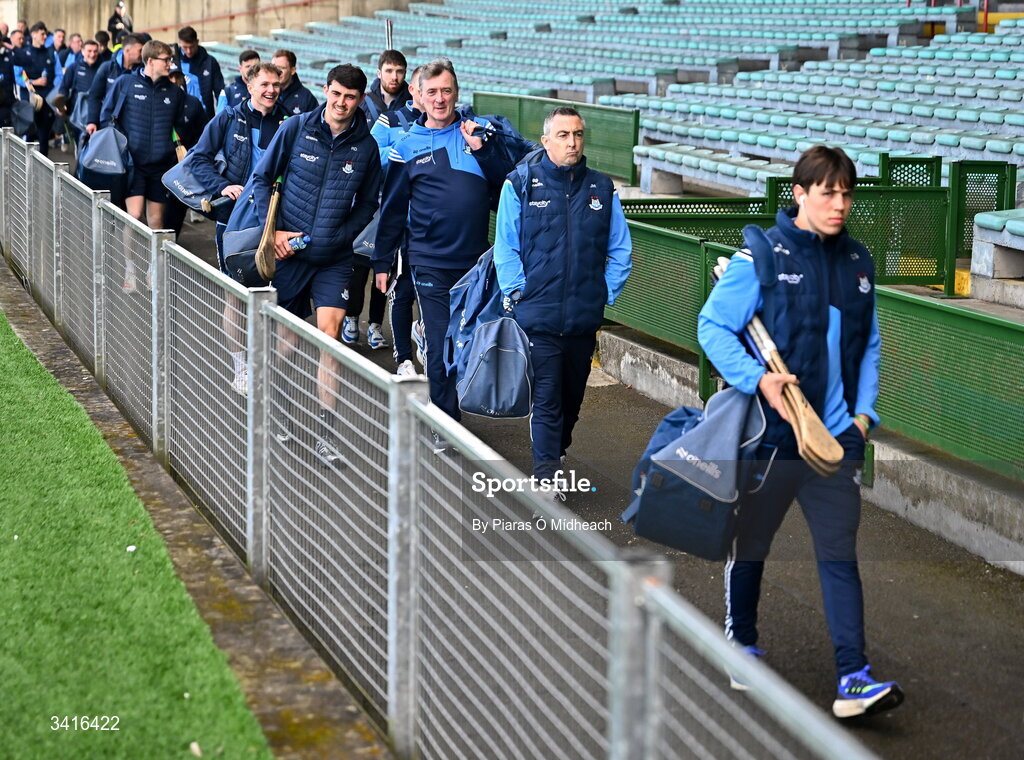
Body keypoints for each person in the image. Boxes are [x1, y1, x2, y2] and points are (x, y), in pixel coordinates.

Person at [696, 145, 902, 719]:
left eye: (846, 193)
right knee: (753, 546)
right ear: (801, 194)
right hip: (773, 438)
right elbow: (712, 326)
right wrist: (756, 379)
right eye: (828, 192)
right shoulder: (760, 256)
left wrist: (863, 417)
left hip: (834, 438)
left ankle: (853, 677)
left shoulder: (858, 261)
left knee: (839, 557)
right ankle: (742, 645)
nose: (840, 203)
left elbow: (871, 347)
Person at [493, 106, 632, 496]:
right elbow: (506, 246)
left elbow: (620, 250)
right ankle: (546, 473)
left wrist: (605, 292)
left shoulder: (602, 188)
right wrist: (518, 292)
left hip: (583, 316)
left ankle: (557, 452)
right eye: (563, 135)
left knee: (572, 396)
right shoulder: (520, 182)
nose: (572, 143)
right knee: (549, 394)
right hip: (537, 313)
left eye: (578, 135)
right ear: (546, 141)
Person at [371, 58, 514, 431]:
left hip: (475, 262)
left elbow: (506, 189)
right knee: (440, 343)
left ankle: (452, 398)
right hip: (429, 260)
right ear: (417, 95)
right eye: (431, 91)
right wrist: (382, 261)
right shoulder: (406, 145)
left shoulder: (477, 133)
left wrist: (483, 150)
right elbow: (393, 208)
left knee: (467, 341)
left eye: (446, 91)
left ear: (457, 93)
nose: (439, 99)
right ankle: (446, 422)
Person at [251, 63, 381, 463]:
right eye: (337, 94)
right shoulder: (296, 128)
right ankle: (280, 413)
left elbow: (369, 203)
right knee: (285, 344)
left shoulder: (367, 146)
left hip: (334, 261)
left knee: (330, 338)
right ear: (326, 90)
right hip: (289, 256)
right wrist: (272, 234)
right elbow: (261, 179)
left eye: (351, 97)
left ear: (361, 100)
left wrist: (341, 237)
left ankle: (326, 434)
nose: (342, 103)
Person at [100, 39, 187, 231]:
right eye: (165, 60)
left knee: (156, 222)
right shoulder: (126, 83)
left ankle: (152, 262)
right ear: (149, 61)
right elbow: (106, 115)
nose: (169, 64)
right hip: (133, 164)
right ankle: (129, 262)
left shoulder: (175, 93)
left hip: (161, 166)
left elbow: (180, 127)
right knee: (134, 216)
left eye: (170, 60)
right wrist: (121, 148)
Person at [14, 22, 57, 155]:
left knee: (44, 138)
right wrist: (34, 82)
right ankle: (25, 171)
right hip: (29, 101)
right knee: (28, 138)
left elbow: (59, 76)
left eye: (45, 34)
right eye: (42, 34)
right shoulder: (23, 53)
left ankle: (44, 173)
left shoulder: (51, 53)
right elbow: (17, 75)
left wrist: (54, 94)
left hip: (47, 102)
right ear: (33, 34)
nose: (45, 36)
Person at [84, 33, 141, 132]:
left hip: (132, 125)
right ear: (127, 50)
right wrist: (92, 121)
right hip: (108, 124)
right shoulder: (107, 68)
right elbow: (94, 96)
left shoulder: (141, 71)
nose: (142, 54)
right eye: (140, 51)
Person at [174, 26, 222, 116]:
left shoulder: (210, 62)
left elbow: (220, 91)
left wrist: (220, 116)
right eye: (185, 47)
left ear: (197, 42)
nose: (188, 51)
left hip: (204, 115)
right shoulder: (173, 63)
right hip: (179, 115)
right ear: (180, 43)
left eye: (191, 47)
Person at [59, 38, 101, 142]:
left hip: (97, 114)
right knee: (80, 146)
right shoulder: (74, 67)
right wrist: (61, 103)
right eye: (89, 51)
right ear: (82, 51)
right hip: (77, 113)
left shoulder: (102, 68)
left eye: (95, 51)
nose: (92, 54)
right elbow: (64, 87)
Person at [360, 49, 409, 126]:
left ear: (405, 74)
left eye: (399, 71)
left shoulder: (414, 104)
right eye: (389, 71)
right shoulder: (363, 103)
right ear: (379, 73)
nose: (394, 77)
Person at [271, 49, 317, 115]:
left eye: (282, 68)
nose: (277, 72)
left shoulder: (306, 98)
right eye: (274, 67)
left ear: (292, 70)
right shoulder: (264, 91)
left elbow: (314, 123)